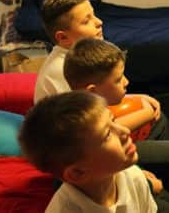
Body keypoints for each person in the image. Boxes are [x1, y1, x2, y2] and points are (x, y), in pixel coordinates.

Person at [34, 0, 169, 213]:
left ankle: (152, 177)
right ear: (63, 37)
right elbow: (93, 130)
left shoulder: (75, 59)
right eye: (87, 20)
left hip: (99, 135)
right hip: (88, 147)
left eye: (94, 15)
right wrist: (145, 113)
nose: (99, 22)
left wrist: (135, 97)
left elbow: (98, 102)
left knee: (159, 120)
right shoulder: (61, 73)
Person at [18, 90, 160, 212]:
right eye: (107, 135)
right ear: (77, 173)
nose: (125, 131)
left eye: (113, 120)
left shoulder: (133, 176)